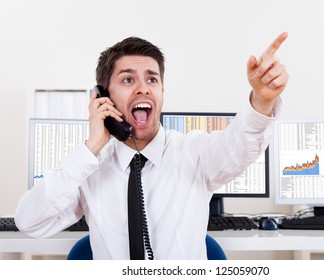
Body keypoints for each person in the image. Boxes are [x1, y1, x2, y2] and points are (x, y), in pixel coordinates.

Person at [15, 33, 289, 259]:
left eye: (152, 79)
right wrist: (92, 146)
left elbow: (239, 145)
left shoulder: (194, 154)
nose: (143, 88)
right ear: (103, 97)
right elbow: (29, 222)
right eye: (128, 79)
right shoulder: (88, 168)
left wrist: (262, 101)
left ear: (161, 92)